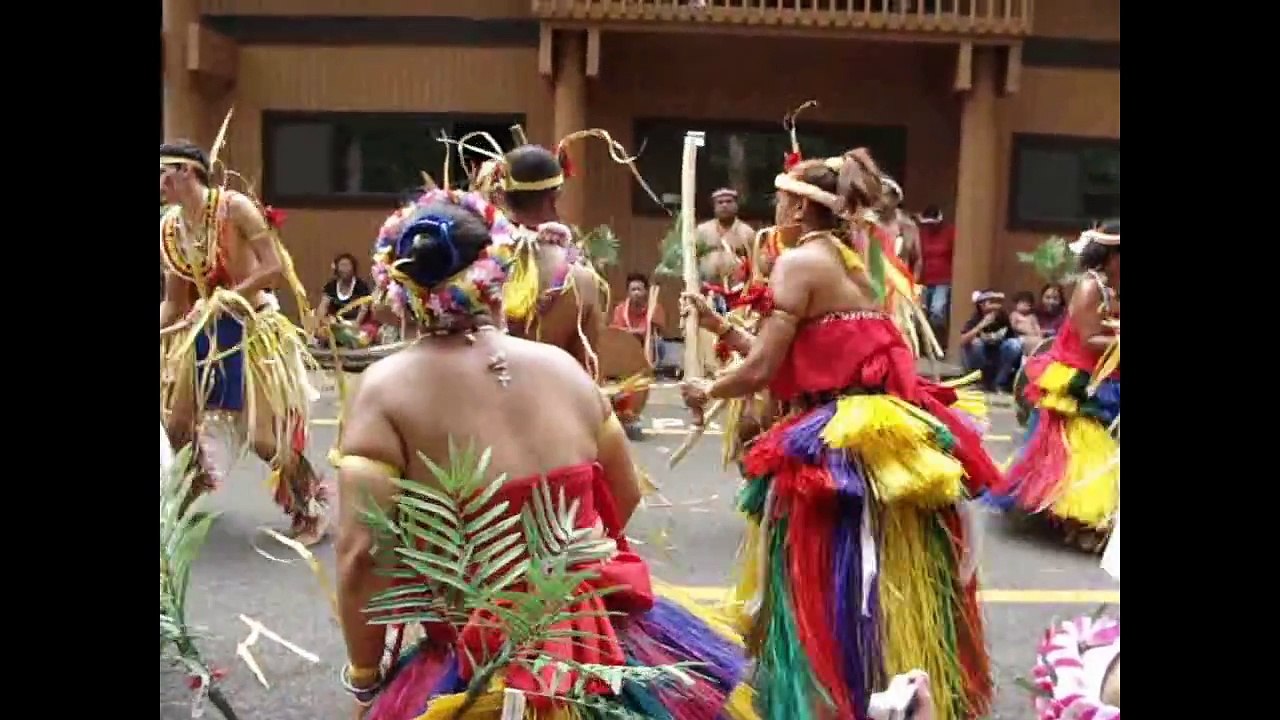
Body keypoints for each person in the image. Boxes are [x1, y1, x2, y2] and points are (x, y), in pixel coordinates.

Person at [333, 189, 757, 719]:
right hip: (598, 647)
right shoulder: (562, 369)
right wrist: (557, 573)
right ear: (499, 274)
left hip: (476, 660)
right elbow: (621, 497)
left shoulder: (383, 390)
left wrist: (367, 678)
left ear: (399, 287)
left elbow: (360, 557)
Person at [680, 148, 998, 720]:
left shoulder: (798, 263)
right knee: (877, 591)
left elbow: (762, 371)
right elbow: (813, 355)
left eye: (781, 199)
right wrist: (719, 325)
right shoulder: (863, 264)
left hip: (831, 441)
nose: (774, 208)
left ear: (800, 207)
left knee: (826, 591)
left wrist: (707, 391)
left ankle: (831, 700)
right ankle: (892, 689)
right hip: (886, 435)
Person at [159, 139, 328, 546]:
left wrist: (225, 299)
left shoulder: (233, 208)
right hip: (201, 333)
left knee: (264, 437)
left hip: (252, 328)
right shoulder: (170, 227)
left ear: (186, 172)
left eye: (165, 172)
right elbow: (174, 302)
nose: (160, 182)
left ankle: (309, 507)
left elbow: (272, 268)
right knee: (176, 424)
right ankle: (186, 489)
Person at [989, 221, 1120, 551]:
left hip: (1107, 373)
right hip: (1081, 376)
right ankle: (1081, 522)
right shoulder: (1091, 287)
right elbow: (1090, 338)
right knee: (1084, 453)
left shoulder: (1113, 284)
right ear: (1108, 256)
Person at [958, 290, 1021, 392]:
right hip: (979, 358)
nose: (996, 305)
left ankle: (999, 383)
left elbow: (1012, 339)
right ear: (982, 305)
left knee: (1015, 345)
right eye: (991, 302)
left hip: (996, 355)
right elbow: (962, 341)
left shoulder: (1002, 316)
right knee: (975, 343)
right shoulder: (976, 317)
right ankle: (978, 381)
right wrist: (981, 325)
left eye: (998, 302)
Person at [610, 272, 671, 369]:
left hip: (648, 346)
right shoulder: (620, 309)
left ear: (646, 291)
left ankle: (652, 368)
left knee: (659, 343)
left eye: (639, 289)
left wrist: (635, 332)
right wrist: (637, 332)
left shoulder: (655, 308)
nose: (636, 293)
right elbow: (617, 332)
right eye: (633, 290)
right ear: (628, 293)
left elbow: (657, 332)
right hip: (627, 345)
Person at [315, 252, 376, 348]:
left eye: (347, 266)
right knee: (322, 333)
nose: (345, 269)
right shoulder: (331, 286)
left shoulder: (361, 286)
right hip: (335, 324)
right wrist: (320, 322)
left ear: (353, 268)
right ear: (337, 268)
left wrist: (355, 324)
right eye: (342, 266)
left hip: (355, 324)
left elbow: (363, 309)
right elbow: (323, 306)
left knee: (362, 336)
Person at [918, 205, 955, 339]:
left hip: (943, 280)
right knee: (922, 312)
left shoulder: (950, 232)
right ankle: (926, 341)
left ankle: (938, 340)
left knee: (937, 311)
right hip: (924, 278)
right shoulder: (922, 233)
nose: (930, 227)